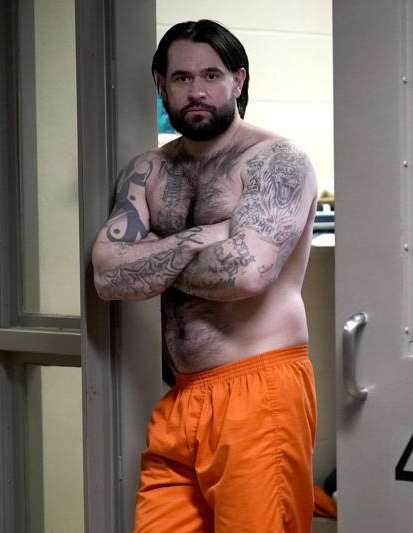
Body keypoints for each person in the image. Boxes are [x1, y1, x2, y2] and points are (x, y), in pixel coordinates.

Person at [91, 19, 319, 533]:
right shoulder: (148, 169)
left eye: (211, 75)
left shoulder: (276, 160)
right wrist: (202, 237)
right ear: (161, 86)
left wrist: (150, 258)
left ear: (238, 81)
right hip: (181, 395)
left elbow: (248, 274)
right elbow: (107, 276)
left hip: (260, 390)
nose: (196, 91)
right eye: (181, 78)